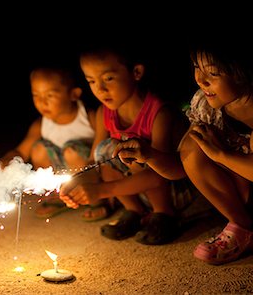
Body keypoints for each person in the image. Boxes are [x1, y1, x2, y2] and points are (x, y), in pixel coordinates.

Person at [112, 35, 253, 274]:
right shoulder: (207, 107)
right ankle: (246, 228)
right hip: (247, 198)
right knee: (194, 145)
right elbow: (182, 167)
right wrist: (149, 155)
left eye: (213, 73)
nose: (200, 80)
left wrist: (221, 155)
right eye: (196, 68)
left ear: (245, 70)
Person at [59, 41, 185, 245]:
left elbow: (159, 175)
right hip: (136, 185)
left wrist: (101, 191)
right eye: (91, 81)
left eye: (108, 78)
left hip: (175, 187)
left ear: (136, 72)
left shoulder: (160, 113)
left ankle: (164, 215)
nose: (100, 89)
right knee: (104, 151)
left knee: (136, 150)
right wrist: (78, 183)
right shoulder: (104, 113)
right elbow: (94, 161)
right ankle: (135, 211)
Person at [0, 66, 113, 221]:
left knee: (71, 151)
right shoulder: (40, 125)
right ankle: (56, 198)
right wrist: (4, 163)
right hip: (62, 178)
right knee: (39, 149)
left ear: (73, 94)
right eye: (36, 95)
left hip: (89, 175)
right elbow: (21, 152)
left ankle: (97, 201)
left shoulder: (89, 117)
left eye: (50, 95)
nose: (41, 102)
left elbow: (99, 156)